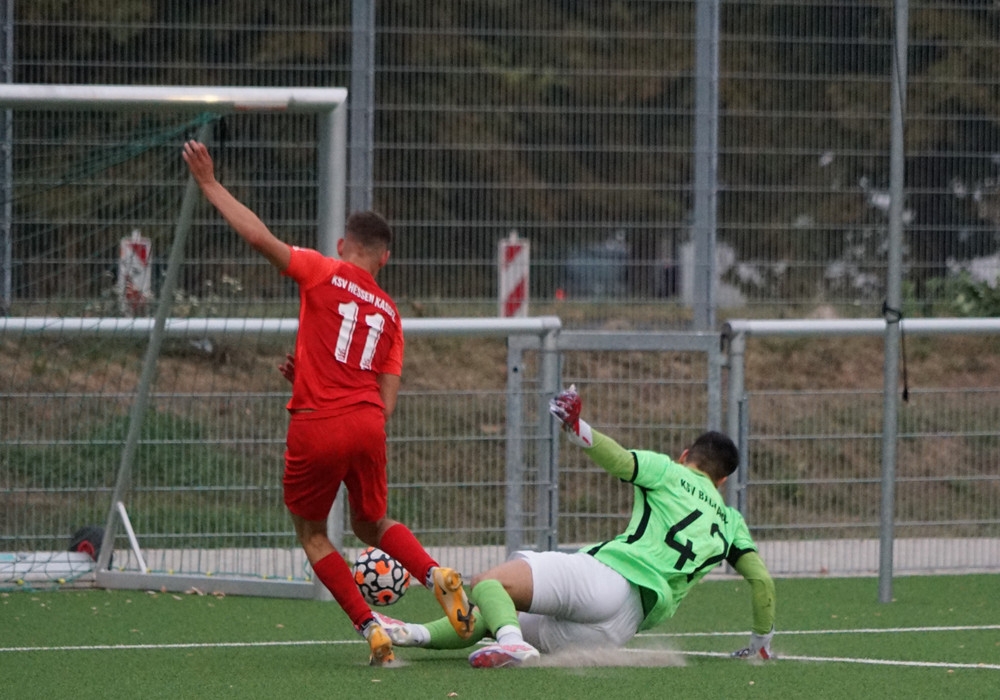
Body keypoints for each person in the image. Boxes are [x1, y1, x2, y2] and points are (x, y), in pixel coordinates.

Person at [182, 139, 474, 665]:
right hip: (367, 424)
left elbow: (258, 237)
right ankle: (435, 574)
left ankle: (371, 628)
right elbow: (384, 401)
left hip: (317, 424)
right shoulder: (390, 314)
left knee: (313, 533)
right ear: (385, 258)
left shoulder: (321, 269)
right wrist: (314, 377)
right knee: (372, 523)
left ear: (343, 245)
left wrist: (209, 183)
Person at [373, 384, 776, 668]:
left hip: (609, 580)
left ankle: (513, 646)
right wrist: (760, 645)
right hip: (620, 628)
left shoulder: (671, 471)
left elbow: (621, 460)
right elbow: (761, 581)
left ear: (685, 454)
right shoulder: (731, 522)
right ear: (723, 481)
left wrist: (578, 427)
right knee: (493, 613)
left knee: (488, 583)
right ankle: (411, 634)